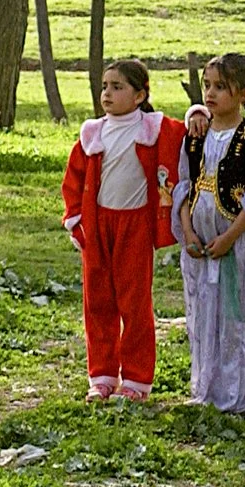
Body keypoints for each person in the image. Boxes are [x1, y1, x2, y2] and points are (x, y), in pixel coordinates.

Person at [62, 58, 182, 401]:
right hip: (98, 225)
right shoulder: (92, 133)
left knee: (135, 303)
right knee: (98, 301)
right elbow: (74, 181)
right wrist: (76, 221)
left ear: (140, 95)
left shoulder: (154, 128)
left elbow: (187, 133)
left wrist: (196, 114)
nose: (108, 94)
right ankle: (101, 376)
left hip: (136, 227)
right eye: (105, 86)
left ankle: (136, 381)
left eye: (118, 87)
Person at [176, 53, 245, 415]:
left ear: (243, 92)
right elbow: (184, 186)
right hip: (202, 248)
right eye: (207, 86)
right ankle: (210, 387)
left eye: (221, 87)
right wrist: (188, 230)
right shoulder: (195, 136)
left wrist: (230, 238)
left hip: (237, 248)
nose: (210, 94)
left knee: (237, 314)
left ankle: (242, 391)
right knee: (207, 314)